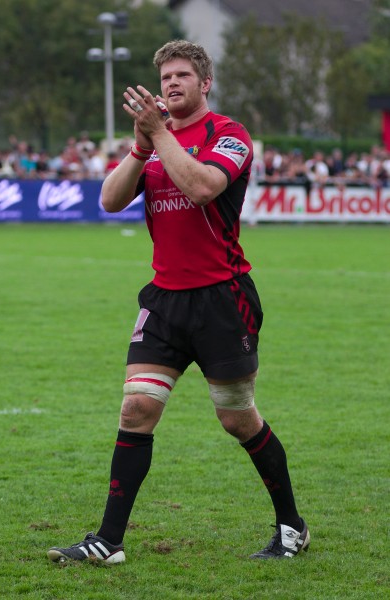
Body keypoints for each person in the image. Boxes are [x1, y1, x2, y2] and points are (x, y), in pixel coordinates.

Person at [47, 40, 310, 564]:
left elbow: (203, 187)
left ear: (205, 82)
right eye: (166, 76)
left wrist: (160, 134)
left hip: (222, 298)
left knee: (238, 419)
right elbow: (109, 200)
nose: (172, 84)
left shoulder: (229, 135)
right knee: (137, 407)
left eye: (183, 75)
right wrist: (142, 146)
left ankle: (291, 527)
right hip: (165, 298)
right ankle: (109, 541)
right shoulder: (153, 141)